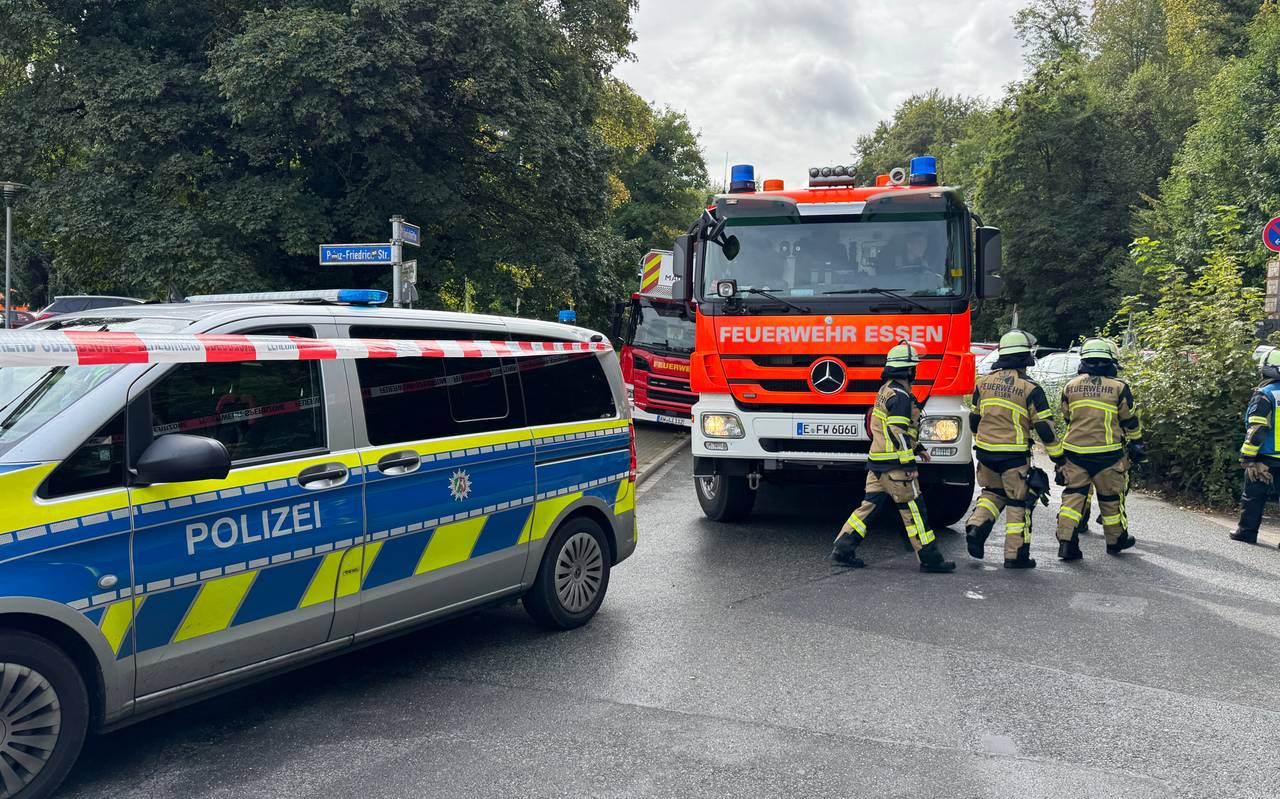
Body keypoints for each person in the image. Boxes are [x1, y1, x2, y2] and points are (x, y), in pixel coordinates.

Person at [830, 341, 956, 573]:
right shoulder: (900, 397)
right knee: (914, 510)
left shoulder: (886, 391)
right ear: (908, 370)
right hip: (894, 466)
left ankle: (843, 547)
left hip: (878, 462)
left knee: (868, 507)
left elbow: (892, 430)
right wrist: (909, 462)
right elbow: (898, 432)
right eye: (913, 367)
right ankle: (930, 558)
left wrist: (917, 449)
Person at [964, 329, 1065, 569]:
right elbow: (1045, 428)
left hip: (986, 453)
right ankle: (1015, 555)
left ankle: (977, 525)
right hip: (1014, 456)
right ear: (1025, 359)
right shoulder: (1031, 388)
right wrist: (1058, 456)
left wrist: (983, 440)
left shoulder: (984, 382)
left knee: (992, 493)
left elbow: (974, 418)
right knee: (1019, 503)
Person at [1054, 338, 1144, 559]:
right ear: (1109, 362)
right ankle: (1115, 541)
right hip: (1108, 454)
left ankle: (1066, 542)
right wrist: (1137, 442)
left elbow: (1066, 416)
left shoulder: (1070, 386)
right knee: (1111, 499)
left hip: (1074, 452)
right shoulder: (1119, 387)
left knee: (1073, 497)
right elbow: (1129, 420)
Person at [1231, 348, 1280, 544]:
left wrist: (1248, 457)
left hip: (1266, 458)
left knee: (1253, 496)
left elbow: (1257, 430)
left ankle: (1247, 533)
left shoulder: (1265, 394)